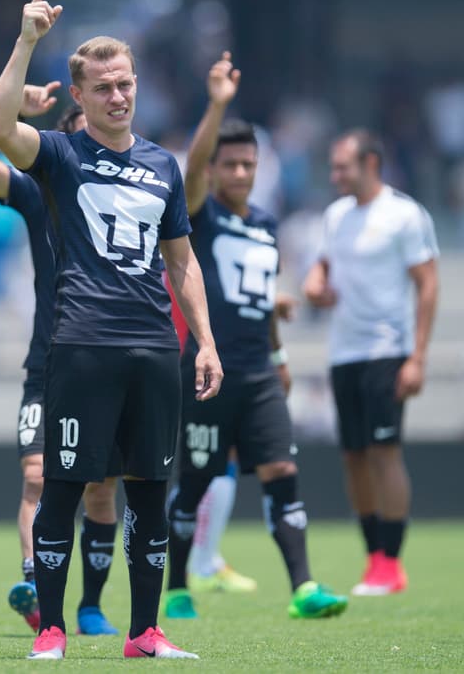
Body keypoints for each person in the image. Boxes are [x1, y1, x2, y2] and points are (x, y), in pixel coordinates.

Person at [0, 0, 222, 661]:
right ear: (79, 95)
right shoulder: (60, 157)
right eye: (103, 87)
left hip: (153, 348)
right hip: (81, 345)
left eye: (125, 84)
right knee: (62, 488)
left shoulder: (161, 165)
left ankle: (144, 633)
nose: (117, 96)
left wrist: (204, 341)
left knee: (150, 492)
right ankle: (52, 628)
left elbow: (183, 263)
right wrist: (27, 40)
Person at [164, 52, 347, 621]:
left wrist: (279, 352)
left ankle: (303, 587)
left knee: (282, 472)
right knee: (194, 484)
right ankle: (176, 588)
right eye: (231, 164)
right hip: (206, 370)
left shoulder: (266, 225)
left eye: (249, 164)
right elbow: (190, 172)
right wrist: (217, 105)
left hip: (260, 371)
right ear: (216, 170)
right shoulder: (202, 214)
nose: (240, 173)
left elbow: (262, 295)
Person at [0, 91, 121, 637]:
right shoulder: (36, 191)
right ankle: (34, 582)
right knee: (36, 475)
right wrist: (17, 116)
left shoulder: (121, 192)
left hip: (106, 361)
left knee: (101, 488)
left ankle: (91, 605)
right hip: (47, 363)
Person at [303, 129, 439, 597]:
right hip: (344, 352)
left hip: (388, 351)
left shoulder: (404, 214)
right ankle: (373, 558)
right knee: (354, 458)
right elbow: (322, 266)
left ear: (371, 164)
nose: (334, 174)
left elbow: (428, 284)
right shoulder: (335, 214)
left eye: (342, 166)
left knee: (385, 454)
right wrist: (314, 284)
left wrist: (417, 358)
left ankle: (392, 562)